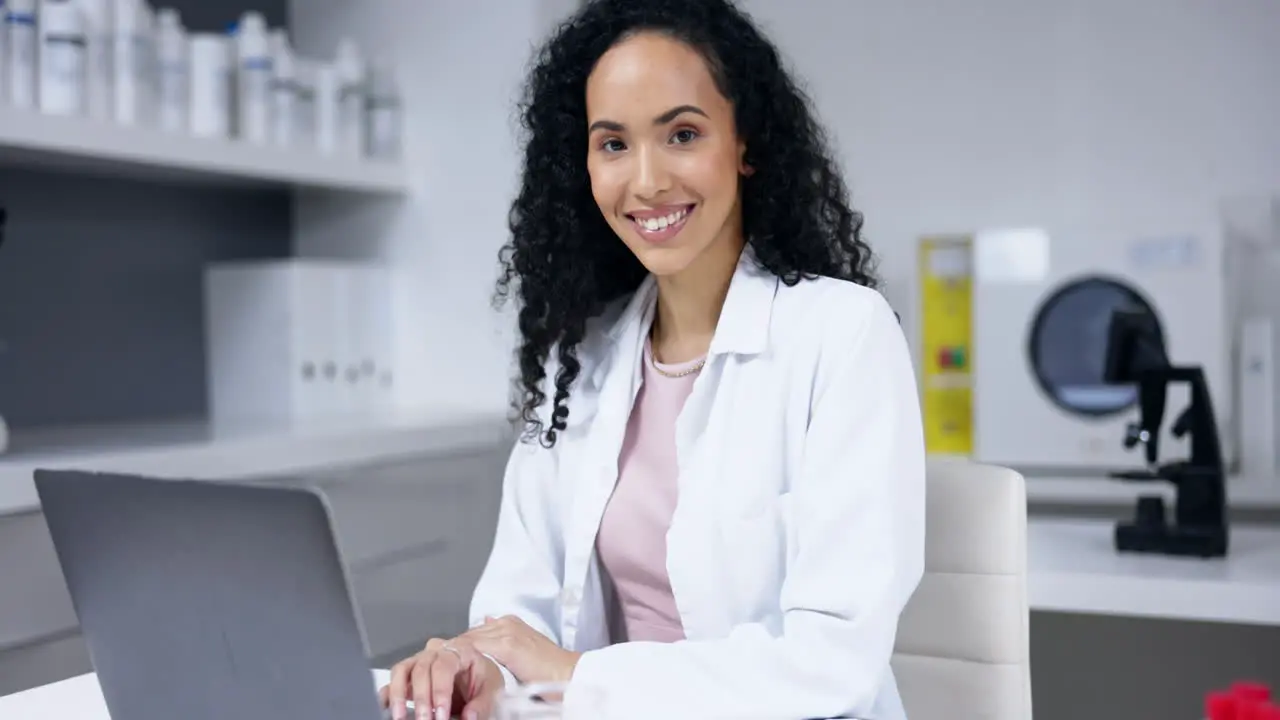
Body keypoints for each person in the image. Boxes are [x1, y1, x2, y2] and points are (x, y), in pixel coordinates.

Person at [380, 0, 926, 717]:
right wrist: (480, 671)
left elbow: (833, 661)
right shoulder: (582, 358)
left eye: (682, 134)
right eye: (613, 145)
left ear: (745, 144)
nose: (646, 181)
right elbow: (521, 610)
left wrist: (577, 676)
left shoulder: (842, 335)